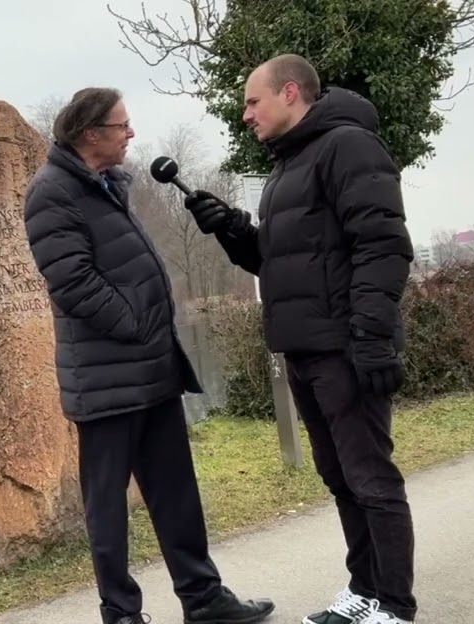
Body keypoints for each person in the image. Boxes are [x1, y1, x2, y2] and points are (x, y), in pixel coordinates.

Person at [21, 87, 276, 624]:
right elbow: (73, 284)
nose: (131, 133)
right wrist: (138, 325)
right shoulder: (52, 192)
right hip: (106, 378)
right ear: (92, 134)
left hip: (152, 366)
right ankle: (121, 613)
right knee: (108, 506)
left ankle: (203, 599)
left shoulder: (110, 186)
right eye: (122, 125)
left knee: (176, 491)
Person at [183, 54, 417, 624]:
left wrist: (371, 336)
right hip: (304, 347)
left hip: (346, 347)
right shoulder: (289, 164)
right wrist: (235, 232)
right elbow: (282, 258)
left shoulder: (347, 148)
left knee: (370, 477)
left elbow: (382, 246)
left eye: (252, 101)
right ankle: (364, 589)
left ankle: (395, 604)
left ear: (290, 92)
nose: (245, 115)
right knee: (339, 477)